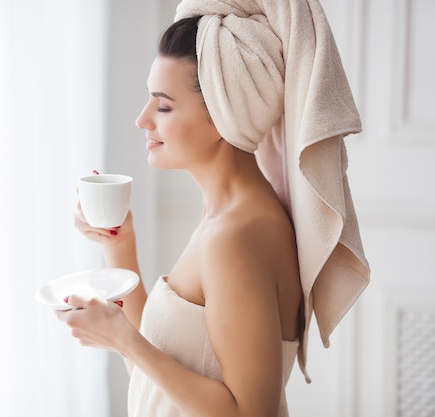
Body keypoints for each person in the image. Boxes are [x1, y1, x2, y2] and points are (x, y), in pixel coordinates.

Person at [57, 1, 370, 416]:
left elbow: (248, 413)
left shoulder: (235, 237)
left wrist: (122, 339)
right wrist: (119, 245)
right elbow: (157, 377)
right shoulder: (227, 218)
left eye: (163, 106)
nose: (142, 119)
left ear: (223, 115)